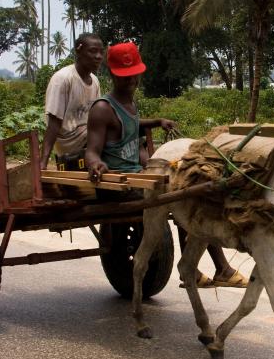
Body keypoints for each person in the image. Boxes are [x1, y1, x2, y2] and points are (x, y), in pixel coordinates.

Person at [86, 42, 248, 289]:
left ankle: (210, 268)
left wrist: (158, 121)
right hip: (120, 184)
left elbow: (130, 124)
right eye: (124, 76)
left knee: (192, 185)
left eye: (133, 76)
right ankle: (215, 269)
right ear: (112, 75)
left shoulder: (129, 103)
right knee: (186, 197)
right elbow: (92, 151)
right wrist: (96, 165)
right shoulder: (101, 109)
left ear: (139, 74)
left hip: (138, 177)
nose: (130, 81)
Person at [40, 33, 104, 170]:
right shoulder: (63, 79)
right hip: (70, 143)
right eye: (93, 51)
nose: (98, 56)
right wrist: (43, 162)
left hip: (89, 138)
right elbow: (54, 123)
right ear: (79, 50)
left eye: (101, 52)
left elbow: (97, 118)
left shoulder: (95, 81)